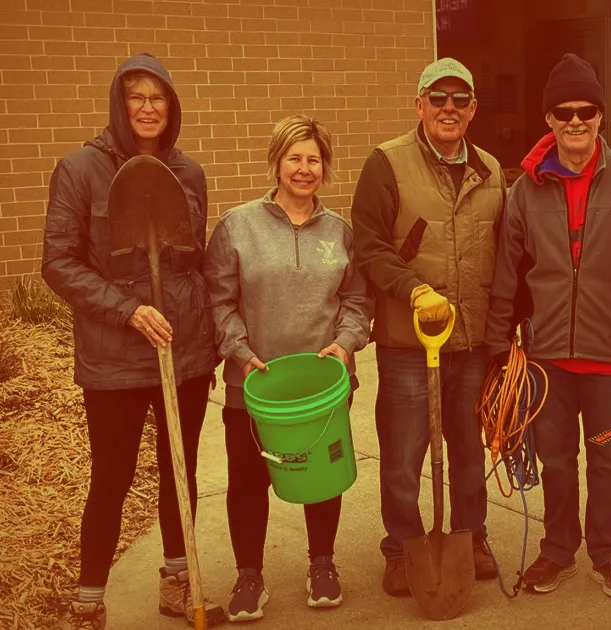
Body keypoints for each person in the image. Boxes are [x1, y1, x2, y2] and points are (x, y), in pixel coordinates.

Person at [41, 53, 225, 629]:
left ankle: (178, 584)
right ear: (120, 105)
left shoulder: (187, 173)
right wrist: (128, 310)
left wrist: (209, 338)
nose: (148, 108)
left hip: (185, 349)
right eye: (136, 97)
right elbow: (58, 263)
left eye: (158, 98)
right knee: (112, 475)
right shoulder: (80, 170)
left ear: (172, 106)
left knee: (180, 468)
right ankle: (89, 600)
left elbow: (193, 259)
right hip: (115, 355)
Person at [483, 52, 611, 598]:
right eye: (563, 111)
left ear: (600, 116)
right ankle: (557, 551)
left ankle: (609, 553)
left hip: (610, 359)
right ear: (548, 118)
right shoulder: (525, 189)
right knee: (557, 462)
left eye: (586, 110)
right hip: (546, 361)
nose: (575, 120)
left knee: (608, 462)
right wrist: (499, 346)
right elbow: (505, 276)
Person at [204, 114, 372, 621]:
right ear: (276, 162)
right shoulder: (238, 225)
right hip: (253, 385)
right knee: (249, 482)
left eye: (313, 160)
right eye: (294, 158)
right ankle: (249, 576)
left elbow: (358, 300)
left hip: (321, 389)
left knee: (320, 477)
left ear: (325, 167)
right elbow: (218, 299)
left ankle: (323, 564)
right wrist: (237, 349)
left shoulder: (341, 232)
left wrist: (345, 344)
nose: (304, 169)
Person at [350, 57, 504, 595]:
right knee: (404, 451)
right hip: (408, 344)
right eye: (437, 98)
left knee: (466, 447)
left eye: (459, 99)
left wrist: (505, 333)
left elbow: (504, 253)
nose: (448, 108)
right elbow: (367, 244)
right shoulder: (386, 164)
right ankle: (401, 547)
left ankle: (471, 534)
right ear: (419, 105)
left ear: (472, 109)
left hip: (471, 341)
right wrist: (414, 289)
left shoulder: (491, 169)